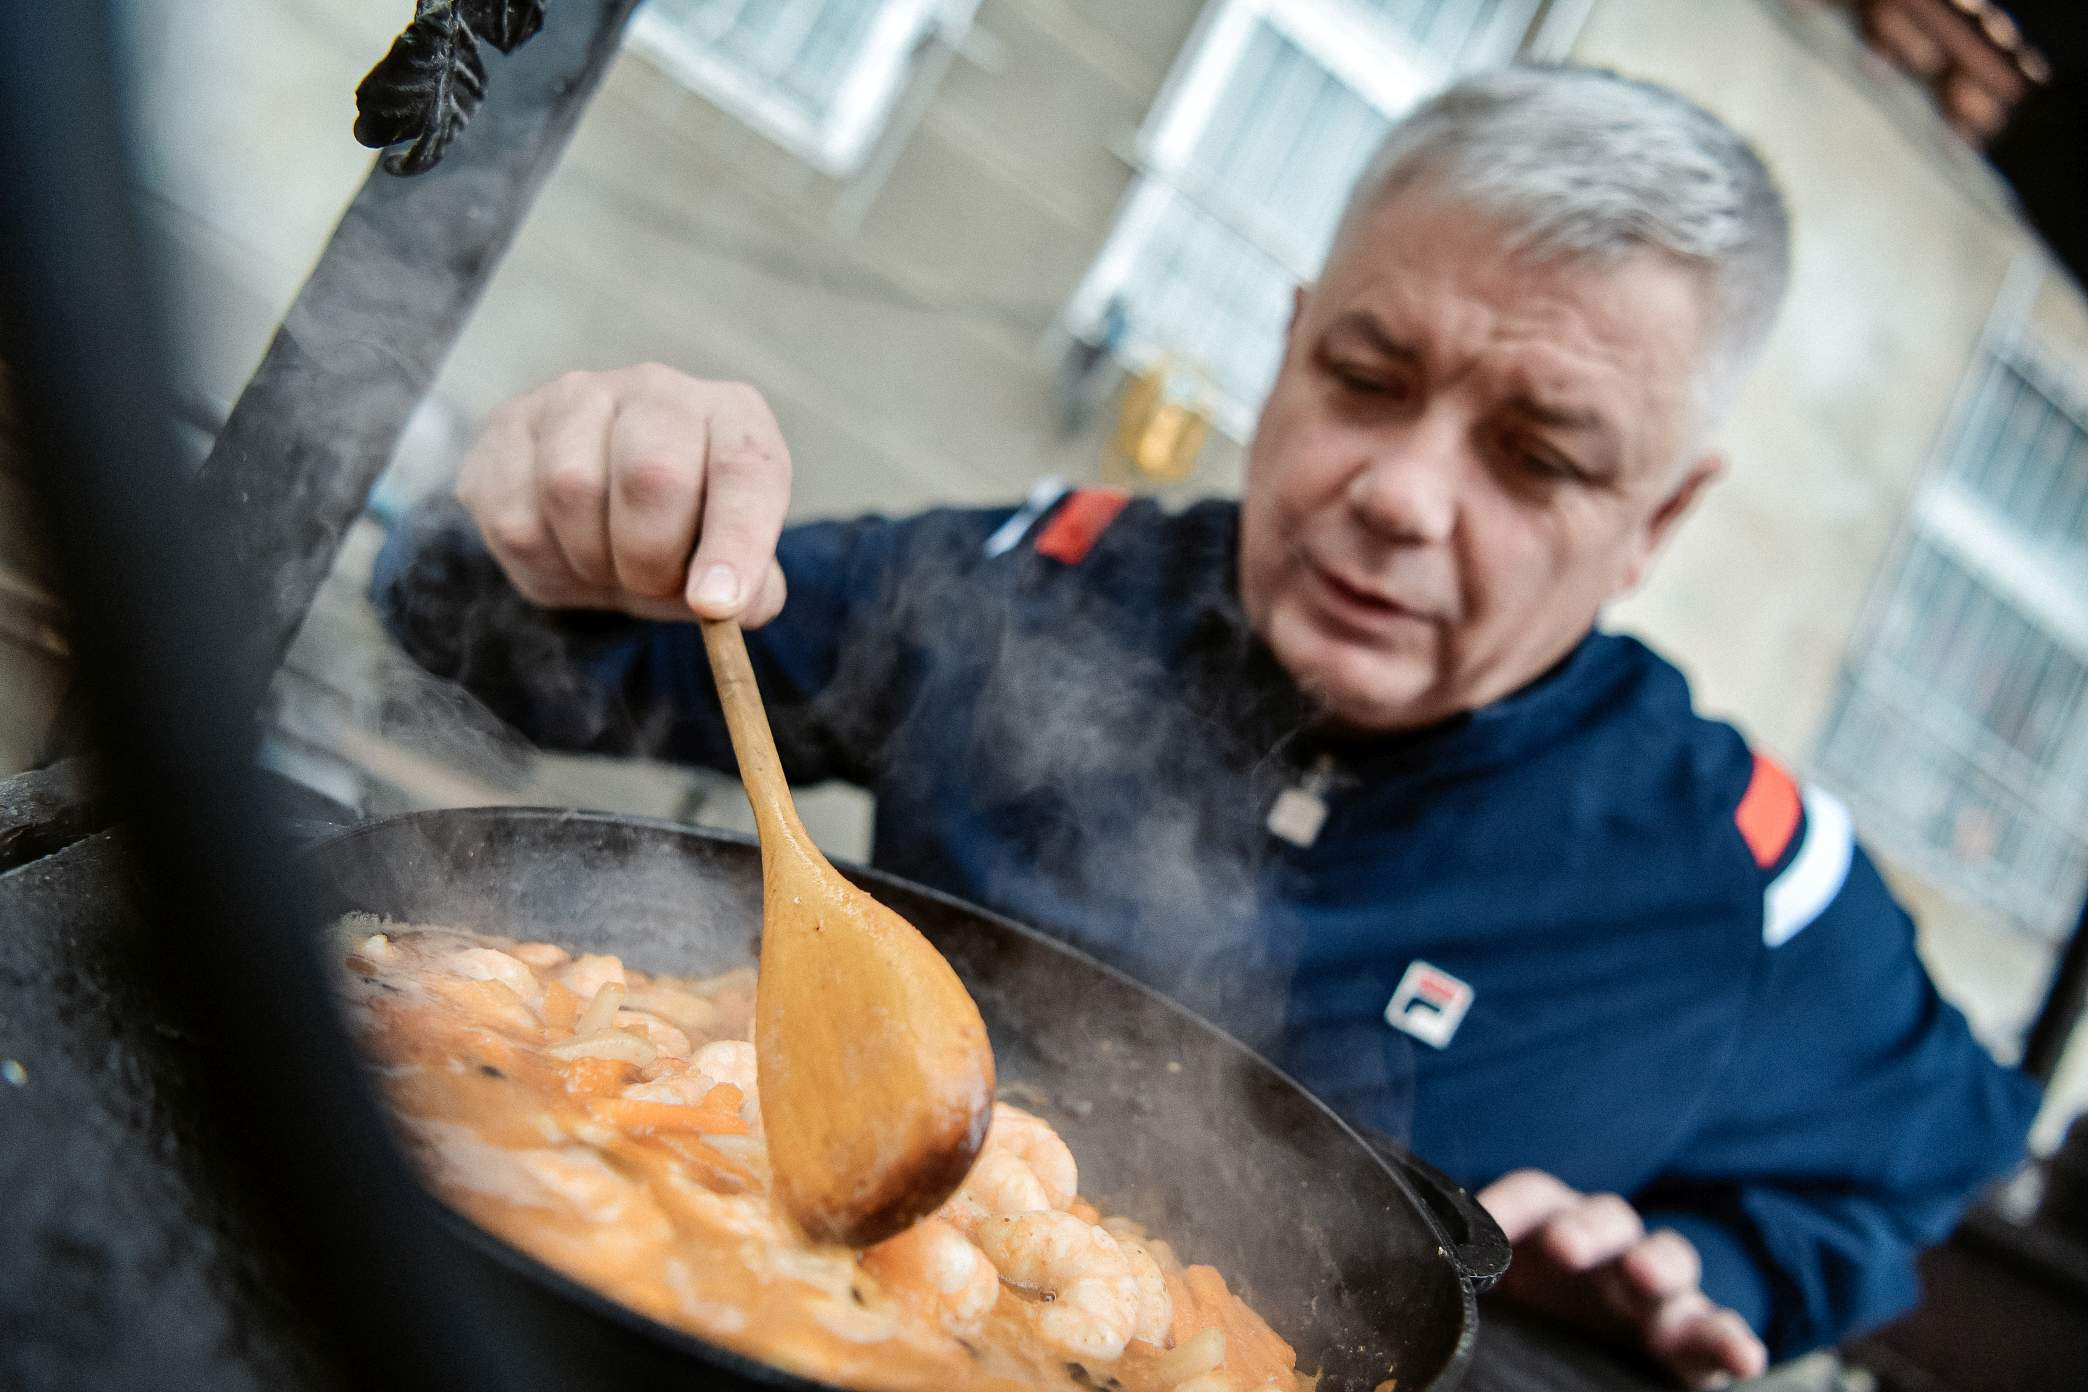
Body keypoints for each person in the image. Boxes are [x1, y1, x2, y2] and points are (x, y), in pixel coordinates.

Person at [374, 66, 2041, 1389]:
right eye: (1367, 377)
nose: (1397, 495)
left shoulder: (1744, 874)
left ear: (1659, 519)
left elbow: (1934, 1165)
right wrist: (555, 507)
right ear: (1291, 339)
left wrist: (1711, 1271)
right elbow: (508, 651)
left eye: (1538, 456)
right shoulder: (1040, 579)